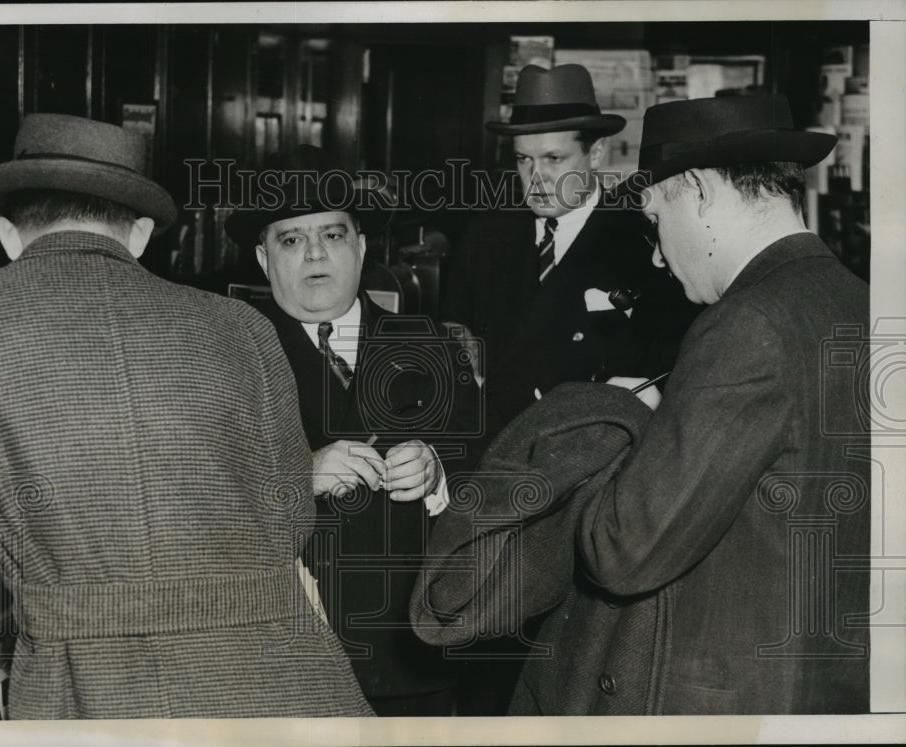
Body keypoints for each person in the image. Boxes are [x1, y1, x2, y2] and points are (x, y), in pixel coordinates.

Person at [412, 93, 871, 715]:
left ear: (701, 192)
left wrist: (598, 436)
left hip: (723, 689)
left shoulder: (744, 326)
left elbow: (623, 552)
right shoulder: (853, 298)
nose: (656, 252)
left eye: (656, 219)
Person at [0, 114, 372, 719]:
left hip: (84, 683)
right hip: (276, 676)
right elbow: (289, 520)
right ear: (141, 234)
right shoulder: (241, 326)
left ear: (9, 235)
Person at [224, 145, 482, 716]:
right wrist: (299, 474)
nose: (315, 253)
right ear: (264, 260)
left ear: (361, 248)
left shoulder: (431, 345)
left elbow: (490, 473)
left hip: (410, 654)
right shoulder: (228, 357)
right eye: (291, 240)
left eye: (333, 235)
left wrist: (438, 471)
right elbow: (198, 499)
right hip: (281, 657)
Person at [442, 63, 700, 434]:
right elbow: (455, 327)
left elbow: (671, 370)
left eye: (554, 159)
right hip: (494, 452)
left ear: (596, 155)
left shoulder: (644, 240)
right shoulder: (485, 236)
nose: (536, 178)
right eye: (523, 160)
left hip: (593, 456)